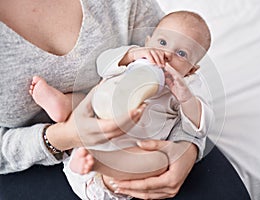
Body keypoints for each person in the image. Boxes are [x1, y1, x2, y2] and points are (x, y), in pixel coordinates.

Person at [0, 1, 220, 199]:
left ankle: (97, 164)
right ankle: (59, 106)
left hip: (129, 151)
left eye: (181, 54)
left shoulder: (188, 86)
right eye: (161, 42)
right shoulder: (134, 59)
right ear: (148, 40)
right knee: (82, 100)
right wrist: (131, 56)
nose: (167, 55)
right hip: (80, 127)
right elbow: (103, 64)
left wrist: (186, 144)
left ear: (192, 68)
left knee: (156, 162)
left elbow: (201, 123)